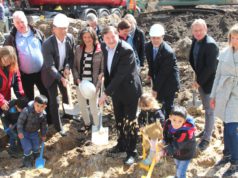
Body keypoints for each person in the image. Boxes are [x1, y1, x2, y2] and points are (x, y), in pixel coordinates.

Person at [99, 26, 142, 165]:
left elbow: (120, 75)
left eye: (113, 36)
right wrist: (104, 78)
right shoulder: (104, 47)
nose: (111, 40)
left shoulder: (126, 50)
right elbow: (108, 67)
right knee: (119, 119)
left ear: (117, 35)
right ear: (103, 39)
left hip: (129, 90)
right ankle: (121, 144)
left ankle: (132, 151)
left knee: (130, 121)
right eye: (107, 38)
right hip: (116, 91)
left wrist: (105, 93)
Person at [3, 11, 51, 124]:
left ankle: (49, 119)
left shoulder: (37, 33)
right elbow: (5, 54)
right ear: (13, 24)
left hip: (41, 72)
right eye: (17, 23)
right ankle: (32, 121)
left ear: (26, 20)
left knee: (46, 95)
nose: (20, 24)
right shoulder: (12, 38)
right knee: (29, 99)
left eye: (22, 21)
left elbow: (47, 50)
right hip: (24, 75)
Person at [210, 24, 238, 176]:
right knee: (225, 125)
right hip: (223, 92)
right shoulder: (225, 53)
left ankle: (235, 160)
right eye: (232, 38)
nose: (235, 41)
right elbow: (218, 76)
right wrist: (213, 96)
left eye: (237, 38)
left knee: (232, 129)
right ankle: (226, 154)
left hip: (236, 95)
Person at [41, 13, 75, 136]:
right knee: (54, 100)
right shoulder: (47, 44)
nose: (63, 31)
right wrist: (61, 78)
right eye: (60, 29)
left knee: (66, 94)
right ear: (53, 29)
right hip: (50, 75)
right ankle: (58, 126)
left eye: (65, 28)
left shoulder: (70, 38)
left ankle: (67, 114)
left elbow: (71, 56)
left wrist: (67, 67)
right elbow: (49, 66)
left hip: (61, 71)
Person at [189, 19, 219, 151]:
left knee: (209, 111)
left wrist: (198, 81)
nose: (198, 33)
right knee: (207, 109)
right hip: (201, 81)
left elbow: (211, 68)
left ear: (206, 29)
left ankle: (206, 138)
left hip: (209, 84)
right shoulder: (196, 40)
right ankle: (208, 129)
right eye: (195, 30)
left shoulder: (210, 45)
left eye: (200, 30)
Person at [145, 24, 180, 120]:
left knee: (168, 105)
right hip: (159, 79)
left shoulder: (168, 52)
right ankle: (159, 123)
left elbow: (163, 74)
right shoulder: (148, 47)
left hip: (170, 81)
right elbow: (151, 63)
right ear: (150, 37)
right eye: (153, 38)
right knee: (158, 103)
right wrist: (150, 73)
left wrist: (155, 90)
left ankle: (169, 125)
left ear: (163, 37)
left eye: (158, 38)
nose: (155, 40)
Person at [72, 27, 104, 131]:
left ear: (93, 37)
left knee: (93, 107)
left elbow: (102, 70)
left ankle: (97, 126)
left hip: (93, 84)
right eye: (84, 37)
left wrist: (98, 85)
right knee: (82, 105)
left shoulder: (100, 50)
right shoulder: (78, 49)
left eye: (89, 37)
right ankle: (87, 123)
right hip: (80, 83)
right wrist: (77, 80)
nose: (87, 39)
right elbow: (74, 67)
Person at [163, 106, 196, 178]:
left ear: (184, 121)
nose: (176, 123)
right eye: (174, 120)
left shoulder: (186, 132)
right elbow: (165, 134)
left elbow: (176, 145)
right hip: (176, 153)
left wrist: (163, 150)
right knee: (177, 165)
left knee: (181, 172)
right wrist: (164, 141)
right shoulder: (168, 124)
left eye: (180, 121)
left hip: (186, 153)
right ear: (170, 117)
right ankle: (177, 176)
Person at [17, 95, 48, 168]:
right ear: (34, 103)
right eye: (37, 106)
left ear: (45, 106)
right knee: (27, 147)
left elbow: (44, 125)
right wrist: (20, 132)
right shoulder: (26, 111)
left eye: (42, 107)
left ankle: (36, 155)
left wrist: (43, 134)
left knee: (36, 146)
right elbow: (20, 122)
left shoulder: (43, 114)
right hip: (24, 133)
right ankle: (26, 159)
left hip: (34, 133)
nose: (39, 108)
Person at [0, 46, 25, 114]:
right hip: (1, 100)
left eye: (9, 61)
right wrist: (1, 102)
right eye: (5, 60)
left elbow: (17, 80)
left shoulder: (13, 65)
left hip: (6, 98)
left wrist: (21, 97)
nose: (7, 63)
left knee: (6, 119)